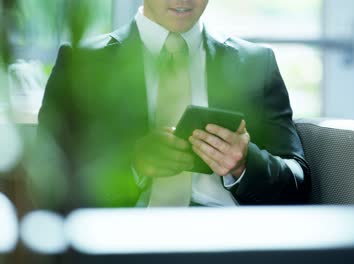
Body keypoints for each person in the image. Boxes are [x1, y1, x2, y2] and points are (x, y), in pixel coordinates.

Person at [38, 0, 310, 209]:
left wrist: (244, 165)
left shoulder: (255, 63)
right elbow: (47, 179)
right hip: (122, 238)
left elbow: (298, 183)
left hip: (226, 239)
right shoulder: (82, 64)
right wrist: (133, 166)